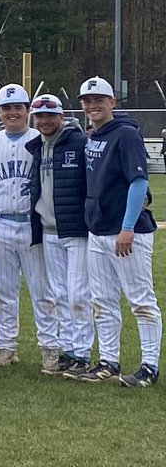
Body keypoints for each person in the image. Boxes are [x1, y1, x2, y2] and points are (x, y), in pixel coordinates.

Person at [75, 77, 161, 387]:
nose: (92, 104)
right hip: (98, 229)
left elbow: (139, 183)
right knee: (103, 300)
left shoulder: (125, 134)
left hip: (126, 231)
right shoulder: (93, 134)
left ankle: (149, 367)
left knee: (140, 300)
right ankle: (108, 361)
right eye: (87, 100)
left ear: (113, 102)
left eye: (99, 99)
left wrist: (127, 227)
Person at [0, 84, 57, 371]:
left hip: (31, 225)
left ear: (28, 110)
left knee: (42, 290)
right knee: (4, 290)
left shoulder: (41, 139)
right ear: (0, 112)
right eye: (6, 108)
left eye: (18, 107)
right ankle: (6, 346)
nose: (12, 112)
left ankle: (50, 347)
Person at [25, 93, 94, 378]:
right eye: (39, 116)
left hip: (74, 229)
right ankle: (69, 351)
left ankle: (83, 354)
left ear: (61, 116)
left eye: (50, 115)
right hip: (49, 229)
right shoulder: (38, 146)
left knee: (78, 293)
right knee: (60, 293)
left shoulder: (79, 143)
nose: (44, 121)